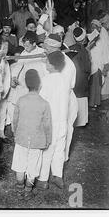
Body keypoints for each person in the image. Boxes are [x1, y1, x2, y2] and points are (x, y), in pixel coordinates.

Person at [12, 69, 52, 194]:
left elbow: (15, 120)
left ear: (26, 84)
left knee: (19, 164)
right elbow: (47, 125)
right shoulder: (45, 104)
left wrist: (15, 133)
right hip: (37, 141)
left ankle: (19, 187)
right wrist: (48, 140)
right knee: (33, 166)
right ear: (40, 85)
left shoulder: (21, 100)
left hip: (21, 139)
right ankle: (28, 189)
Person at [37, 51, 70, 190]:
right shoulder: (65, 79)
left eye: (47, 62)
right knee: (59, 149)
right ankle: (58, 176)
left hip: (50, 120)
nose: (46, 64)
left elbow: (41, 101)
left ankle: (43, 180)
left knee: (47, 150)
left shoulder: (45, 80)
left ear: (51, 65)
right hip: (63, 120)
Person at [67, 27, 91, 127]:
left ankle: (73, 120)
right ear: (84, 38)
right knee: (81, 99)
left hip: (72, 77)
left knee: (73, 99)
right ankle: (81, 121)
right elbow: (87, 68)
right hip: (82, 79)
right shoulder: (84, 51)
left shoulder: (70, 48)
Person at [88, 19, 109, 108]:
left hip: (99, 65)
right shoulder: (88, 38)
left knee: (97, 84)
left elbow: (105, 52)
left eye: (95, 27)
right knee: (91, 85)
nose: (93, 29)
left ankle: (96, 102)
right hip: (90, 65)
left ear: (98, 28)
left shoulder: (102, 40)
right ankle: (91, 103)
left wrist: (106, 65)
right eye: (92, 27)